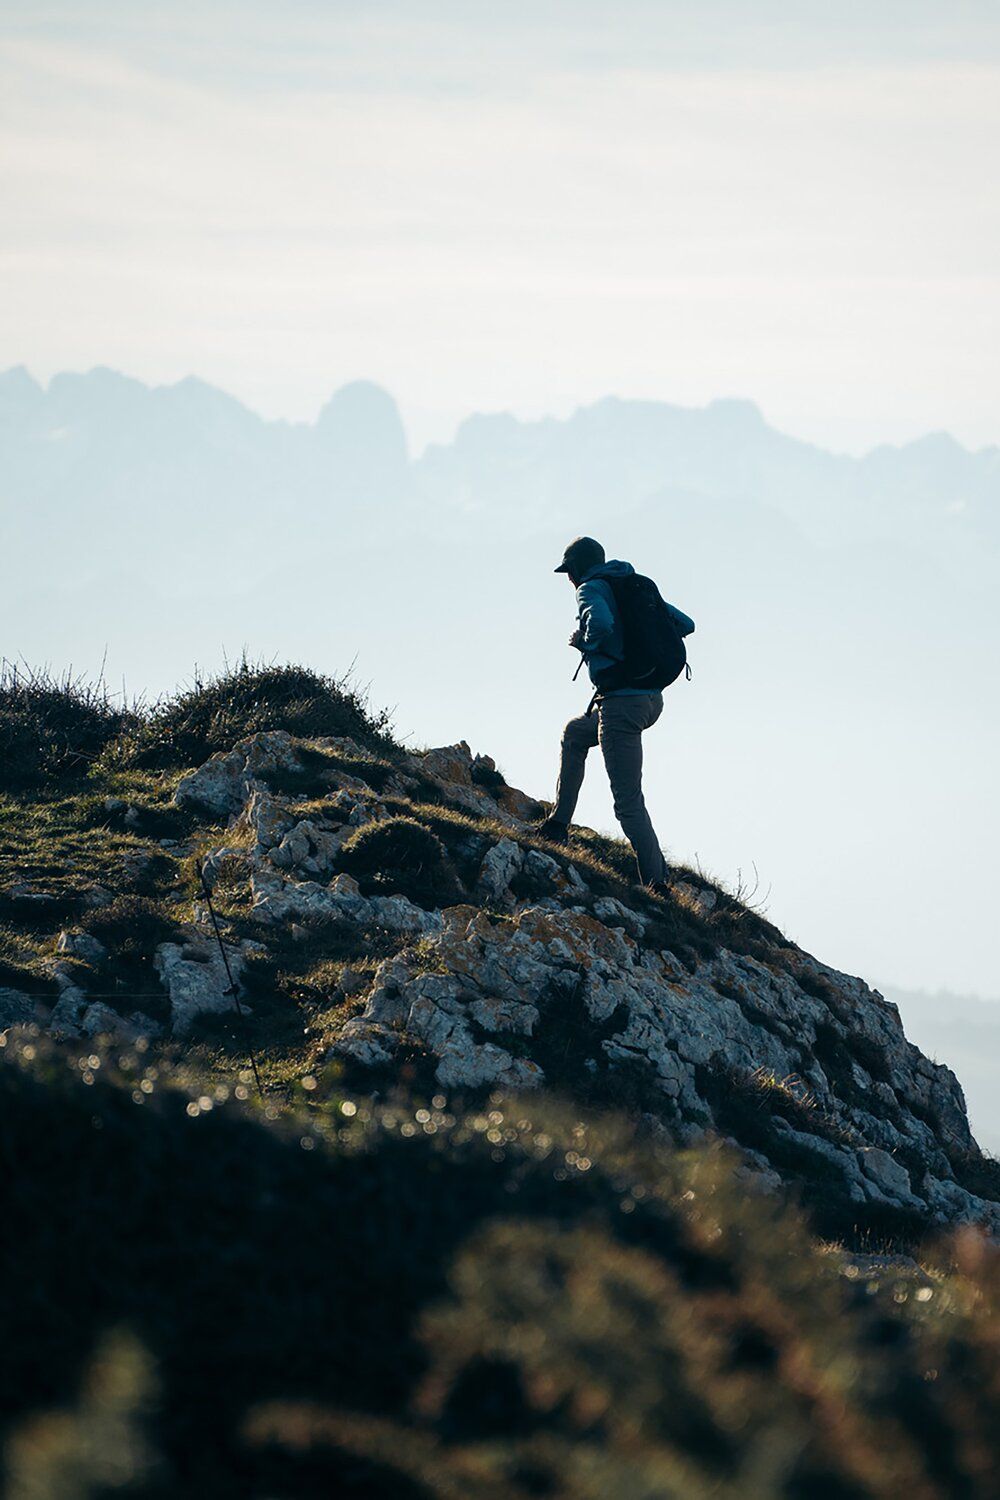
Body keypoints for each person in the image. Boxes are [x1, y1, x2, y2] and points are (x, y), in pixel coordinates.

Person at [537, 535, 694, 893]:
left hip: (622, 705)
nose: (570, 580)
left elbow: (602, 624)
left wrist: (586, 642)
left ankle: (658, 885)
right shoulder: (630, 583)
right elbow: (686, 624)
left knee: (627, 802)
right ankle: (558, 825)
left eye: (568, 573)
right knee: (576, 734)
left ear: (575, 570)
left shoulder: (591, 588)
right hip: (652, 699)